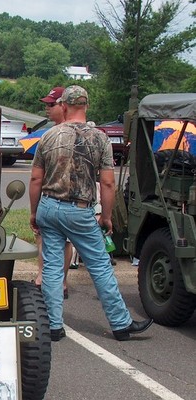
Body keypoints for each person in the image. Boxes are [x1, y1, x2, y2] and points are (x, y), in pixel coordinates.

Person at [29, 86, 153, 342]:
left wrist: (34, 212)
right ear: (86, 106)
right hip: (79, 209)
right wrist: (106, 216)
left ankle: (54, 325)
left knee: (51, 268)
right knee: (99, 266)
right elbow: (107, 183)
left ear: (63, 106)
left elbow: (35, 179)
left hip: (49, 206)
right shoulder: (100, 138)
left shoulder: (49, 136)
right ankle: (120, 324)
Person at [34, 86, 72, 298]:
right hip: (50, 196)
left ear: (63, 105)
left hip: (61, 197)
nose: (47, 109)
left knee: (60, 240)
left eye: (51, 104)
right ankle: (45, 277)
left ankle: (58, 281)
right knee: (43, 238)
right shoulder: (50, 133)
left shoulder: (64, 134)